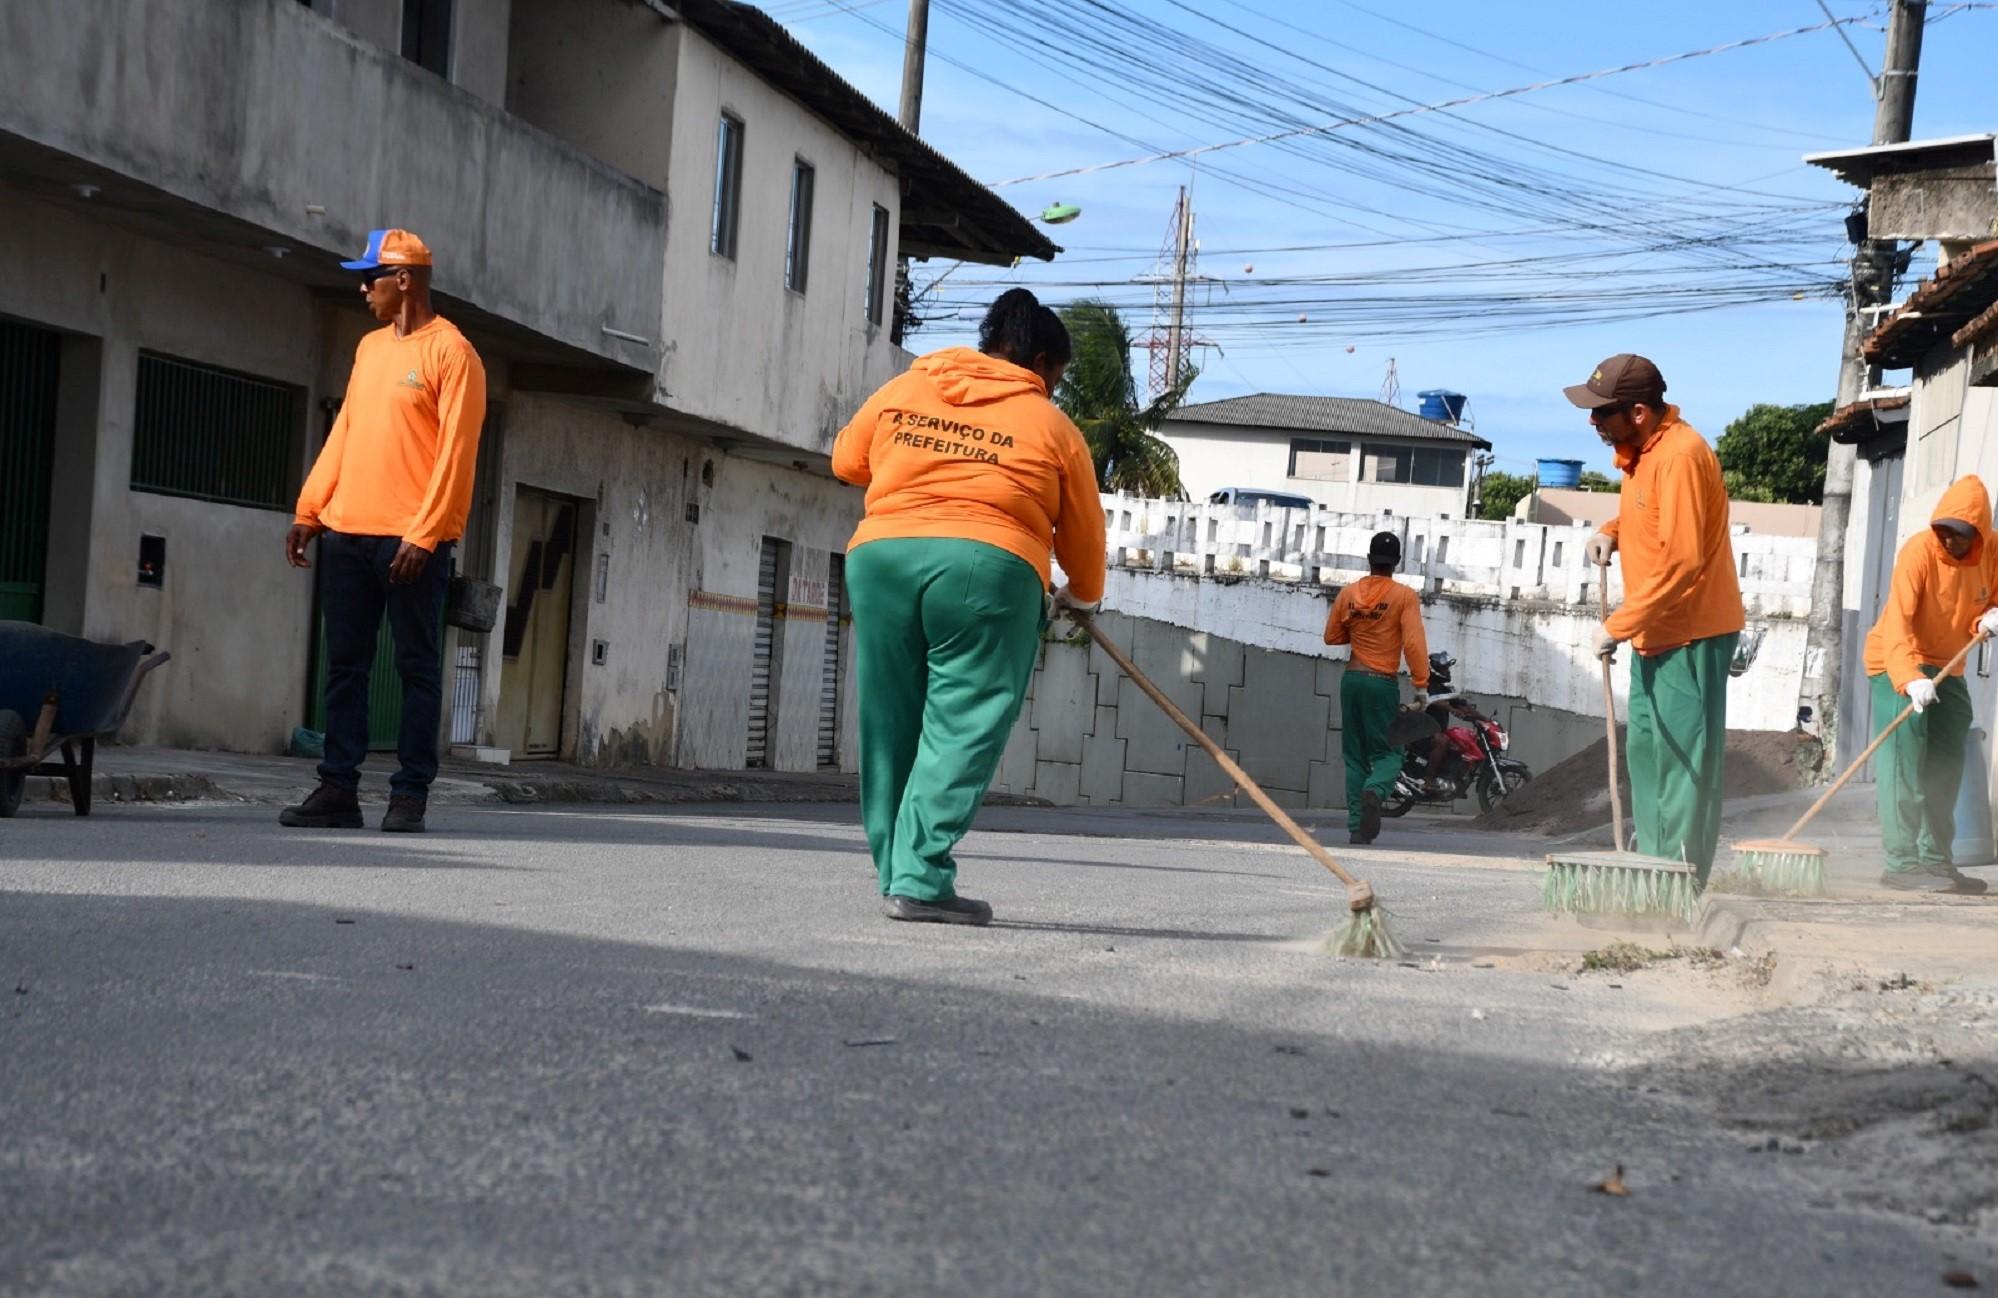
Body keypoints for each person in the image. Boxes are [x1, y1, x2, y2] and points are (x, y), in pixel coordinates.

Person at [832, 289, 1105, 925]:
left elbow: (847, 461)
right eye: (1055, 379)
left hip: (882, 557)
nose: (1054, 390)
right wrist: (1083, 597)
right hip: (988, 568)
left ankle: (897, 870)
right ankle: (920, 876)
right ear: (1040, 361)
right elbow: (1085, 538)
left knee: (889, 718)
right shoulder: (1052, 427)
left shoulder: (907, 388)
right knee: (963, 722)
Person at [280, 229, 486, 834]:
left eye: (370, 276)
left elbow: (456, 454)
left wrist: (424, 535)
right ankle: (338, 788)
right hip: (348, 534)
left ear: (404, 280)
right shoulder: (370, 348)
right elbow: (345, 432)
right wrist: (310, 509)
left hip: (411, 544)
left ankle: (409, 796)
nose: (361, 286)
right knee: (345, 667)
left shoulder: (454, 354)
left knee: (417, 670)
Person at [1565, 353, 1741, 885]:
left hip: (1692, 633)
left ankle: (1678, 881)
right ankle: (1651, 872)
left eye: (1602, 413)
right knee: (1647, 754)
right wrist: (1611, 532)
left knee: (1684, 765)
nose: (1593, 422)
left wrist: (1618, 624)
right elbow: (1649, 512)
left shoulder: (1682, 454)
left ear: (1638, 411)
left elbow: (1684, 558)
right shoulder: (1642, 454)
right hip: (1653, 631)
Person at [1861, 475, 1998, 894]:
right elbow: (1899, 624)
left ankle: (1936, 861)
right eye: (1946, 532)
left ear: (1979, 533)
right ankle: (1901, 863)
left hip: (1947, 669)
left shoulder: (1992, 551)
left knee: (1945, 767)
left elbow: (1990, 597)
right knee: (1904, 765)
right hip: (1895, 665)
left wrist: (1986, 617)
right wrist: (1908, 679)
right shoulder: (1918, 552)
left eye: (1961, 535)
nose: (1951, 542)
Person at [1324, 531, 1430, 844]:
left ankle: (1358, 827)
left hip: (1352, 680)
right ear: (1396, 562)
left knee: (1355, 756)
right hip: (1381, 683)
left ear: (1369, 560)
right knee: (1389, 753)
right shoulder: (1403, 596)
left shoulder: (1349, 593)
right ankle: (1376, 790)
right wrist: (1421, 685)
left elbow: (1331, 636)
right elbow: (1412, 642)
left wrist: (1360, 631)